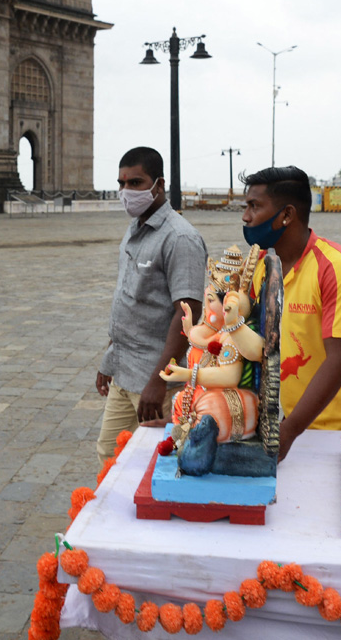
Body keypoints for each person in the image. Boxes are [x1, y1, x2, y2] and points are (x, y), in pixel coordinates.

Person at [242, 166, 341, 460]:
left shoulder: (337, 267)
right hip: (290, 422)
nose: (246, 217)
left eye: (254, 206)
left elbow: (340, 360)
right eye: (246, 206)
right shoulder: (262, 268)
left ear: (287, 215)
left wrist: (288, 433)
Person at [95, 147, 207, 462]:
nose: (125, 192)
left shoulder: (180, 239)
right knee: (109, 453)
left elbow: (187, 313)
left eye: (135, 183)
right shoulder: (136, 229)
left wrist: (159, 383)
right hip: (124, 370)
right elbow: (130, 299)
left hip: (155, 378)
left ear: (158, 185)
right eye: (121, 183)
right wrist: (110, 357)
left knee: (155, 460)